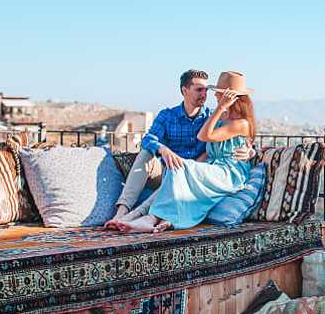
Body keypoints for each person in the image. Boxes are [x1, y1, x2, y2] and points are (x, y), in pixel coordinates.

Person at [106, 71, 256, 233]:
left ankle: (141, 216)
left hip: (190, 173)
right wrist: (163, 150)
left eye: (207, 90)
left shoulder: (211, 117)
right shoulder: (168, 115)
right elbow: (148, 139)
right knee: (146, 153)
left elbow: (234, 139)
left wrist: (250, 152)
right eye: (199, 90)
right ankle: (121, 212)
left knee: (178, 169)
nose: (205, 95)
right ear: (184, 90)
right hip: (168, 171)